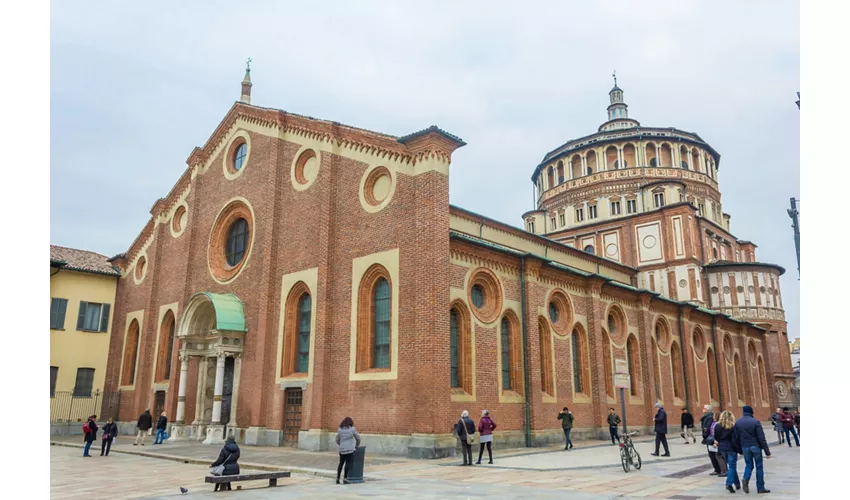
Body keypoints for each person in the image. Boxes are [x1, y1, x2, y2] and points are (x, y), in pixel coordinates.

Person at [734, 405, 772, 494]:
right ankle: (760, 487)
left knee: (748, 464)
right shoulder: (755, 422)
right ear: (751, 412)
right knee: (759, 466)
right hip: (755, 446)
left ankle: (745, 478)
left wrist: (739, 450)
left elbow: (736, 438)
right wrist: (767, 451)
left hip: (745, 447)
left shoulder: (738, 423)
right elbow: (761, 438)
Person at [714, 410, 741, 493]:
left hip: (722, 448)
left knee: (731, 466)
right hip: (731, 448)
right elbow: (736, 439)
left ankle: (737, 484)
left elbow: (717, 438)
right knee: (732, 467)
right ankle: (728, 483)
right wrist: (740, 449)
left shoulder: (717, 426)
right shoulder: (733, 426)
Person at [335, 417, 361, 484]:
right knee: (347, 463)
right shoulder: (352, 429)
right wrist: (357, 445)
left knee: (341, 463)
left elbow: (337, 439)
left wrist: (340, 444)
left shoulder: (340, 429)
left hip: (342, 449)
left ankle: (337, 478)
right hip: (350, 449)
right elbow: (358, 438)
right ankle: (345, 478)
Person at [701, 405, 726, 476]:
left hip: (711, 439)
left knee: (715, 455)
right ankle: (719, 469)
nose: (703, 409)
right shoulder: (707, 417)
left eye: (704, 408)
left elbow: (708, 428)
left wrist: (705, 435)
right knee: (713, 455)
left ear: (708, 410)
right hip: (710, 439)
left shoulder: (708, 417)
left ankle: (720, 469)